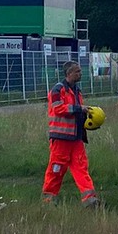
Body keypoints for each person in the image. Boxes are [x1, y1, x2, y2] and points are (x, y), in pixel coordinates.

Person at [42, 61, 100, 207]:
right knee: (56, 169)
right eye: (77, 71)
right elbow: (58, 109)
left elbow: (77, 113)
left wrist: (90, 121)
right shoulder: (58, 90)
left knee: (81, 167)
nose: (80, 74)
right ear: (69, 74)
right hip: (61, 138)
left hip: (76, 138)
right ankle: (48, 199)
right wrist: (80, 108)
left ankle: (90, 199)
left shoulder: (77, 91)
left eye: (80, 71)